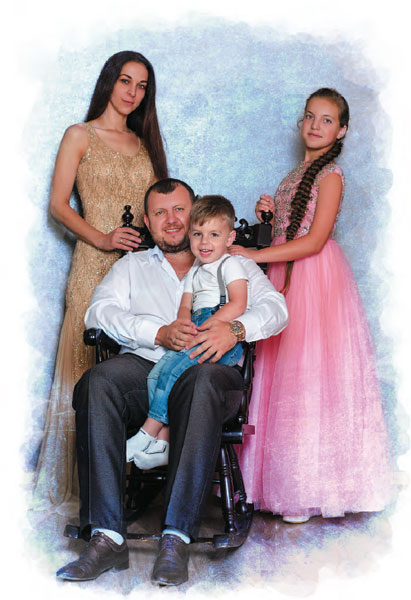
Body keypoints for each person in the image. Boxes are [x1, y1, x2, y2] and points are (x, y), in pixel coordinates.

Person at [55, 178, 288, 586]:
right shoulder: (132, 266)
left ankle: (176, 537)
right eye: (160, 213)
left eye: (180, 209)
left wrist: (234, 329)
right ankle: (106, 537)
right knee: (97, 382)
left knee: (199, 381)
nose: (172, 219)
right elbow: (98, 312)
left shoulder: (234, 263)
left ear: (195, 210)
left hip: (211, 372)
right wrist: (157, 333)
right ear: (148, 222)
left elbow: (276, 309)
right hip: (146, 365)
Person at [230, 88, 393, 523]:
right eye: (309, 116)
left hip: (314, 276)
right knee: (278, 371)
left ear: (341, 131)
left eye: (326, 120)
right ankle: (277, 482)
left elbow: (315, 240)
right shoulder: (293, 175)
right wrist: (268, 219)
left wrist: (255, 255)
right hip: (285, 273)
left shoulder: (331, 175)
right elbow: (288, 231)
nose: (315, 125)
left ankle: (305, 488)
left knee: (307, 374)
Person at [33, 51, 168, 509]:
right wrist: (104, 238)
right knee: (86, 365)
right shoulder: (80, 134)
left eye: (142, 86)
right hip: (93, 262)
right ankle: (88, 487)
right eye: (125, 81)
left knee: (133, 363)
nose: (132, 92)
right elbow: (58, 205)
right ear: (109, 81)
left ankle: (130, 480)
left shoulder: (146, 143)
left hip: (140, 269)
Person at [126, 195, 249, 470]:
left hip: (218, 336)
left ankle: (146, 433)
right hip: (195, 328)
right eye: (197, 234)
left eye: (214, 235)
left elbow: (238, 303)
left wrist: (209, 327)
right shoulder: (195, 270)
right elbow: (185, 306)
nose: (204, 242)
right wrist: (184, 326)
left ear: (229, 238)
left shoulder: (230, 265)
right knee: (156, 374)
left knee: (174, 373)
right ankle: (165, 442)